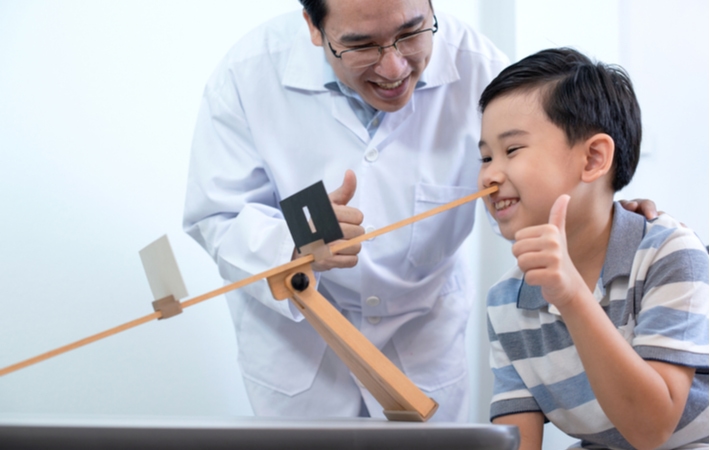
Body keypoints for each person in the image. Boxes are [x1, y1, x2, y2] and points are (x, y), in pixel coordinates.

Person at [183, 0, 658, 422]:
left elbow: (544, 177)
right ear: (313, 26)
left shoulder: (482, 69)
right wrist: (292, 242)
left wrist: (608, 217)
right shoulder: (247, 75)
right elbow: (216, 215)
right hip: (303, 340)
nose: (393, 67)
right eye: (362, 45)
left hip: (423, 331)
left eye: (411, 32)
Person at [478, 48, 708, 449]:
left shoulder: (671, 254)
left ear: (594, 158)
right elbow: (519, 442)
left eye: (512, 150)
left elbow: (650, 431)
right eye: (484, 157)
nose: (490, 177)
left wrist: (570, 295)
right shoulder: (505, 301)